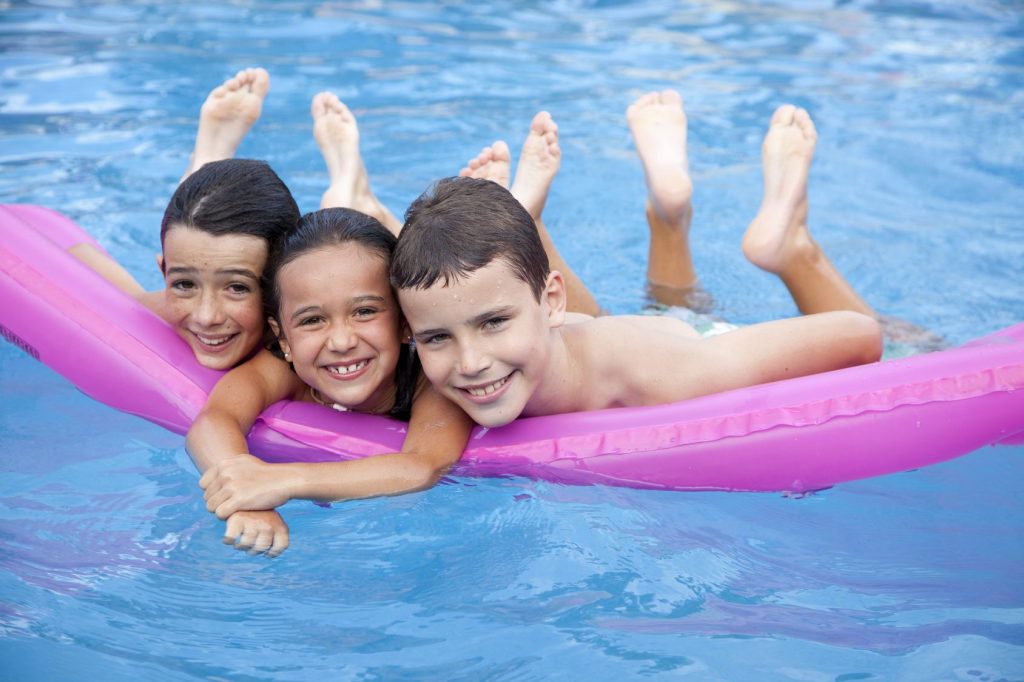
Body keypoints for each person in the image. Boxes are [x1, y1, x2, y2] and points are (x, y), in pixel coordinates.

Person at [389, 100, 884, 429]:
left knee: (913, 346)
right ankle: (531, 224)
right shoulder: (463, 354)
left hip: (692, 343)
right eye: (437, 338)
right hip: (591, 338)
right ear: (412, 335)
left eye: (494, 323)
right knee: (562, 312)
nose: (471, 362)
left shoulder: (669, 376)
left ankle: (790, 248)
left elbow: (859, 334)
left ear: (554, 299)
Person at [187, 208, 474, 557]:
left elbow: (422, 467)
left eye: (365, 311)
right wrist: (245, 498)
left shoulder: (431, 377)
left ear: (404, 322)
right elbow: (214, 421)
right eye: (312, 320)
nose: (341, 341)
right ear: (284, 340)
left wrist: (282, 481)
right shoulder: (282, 368)